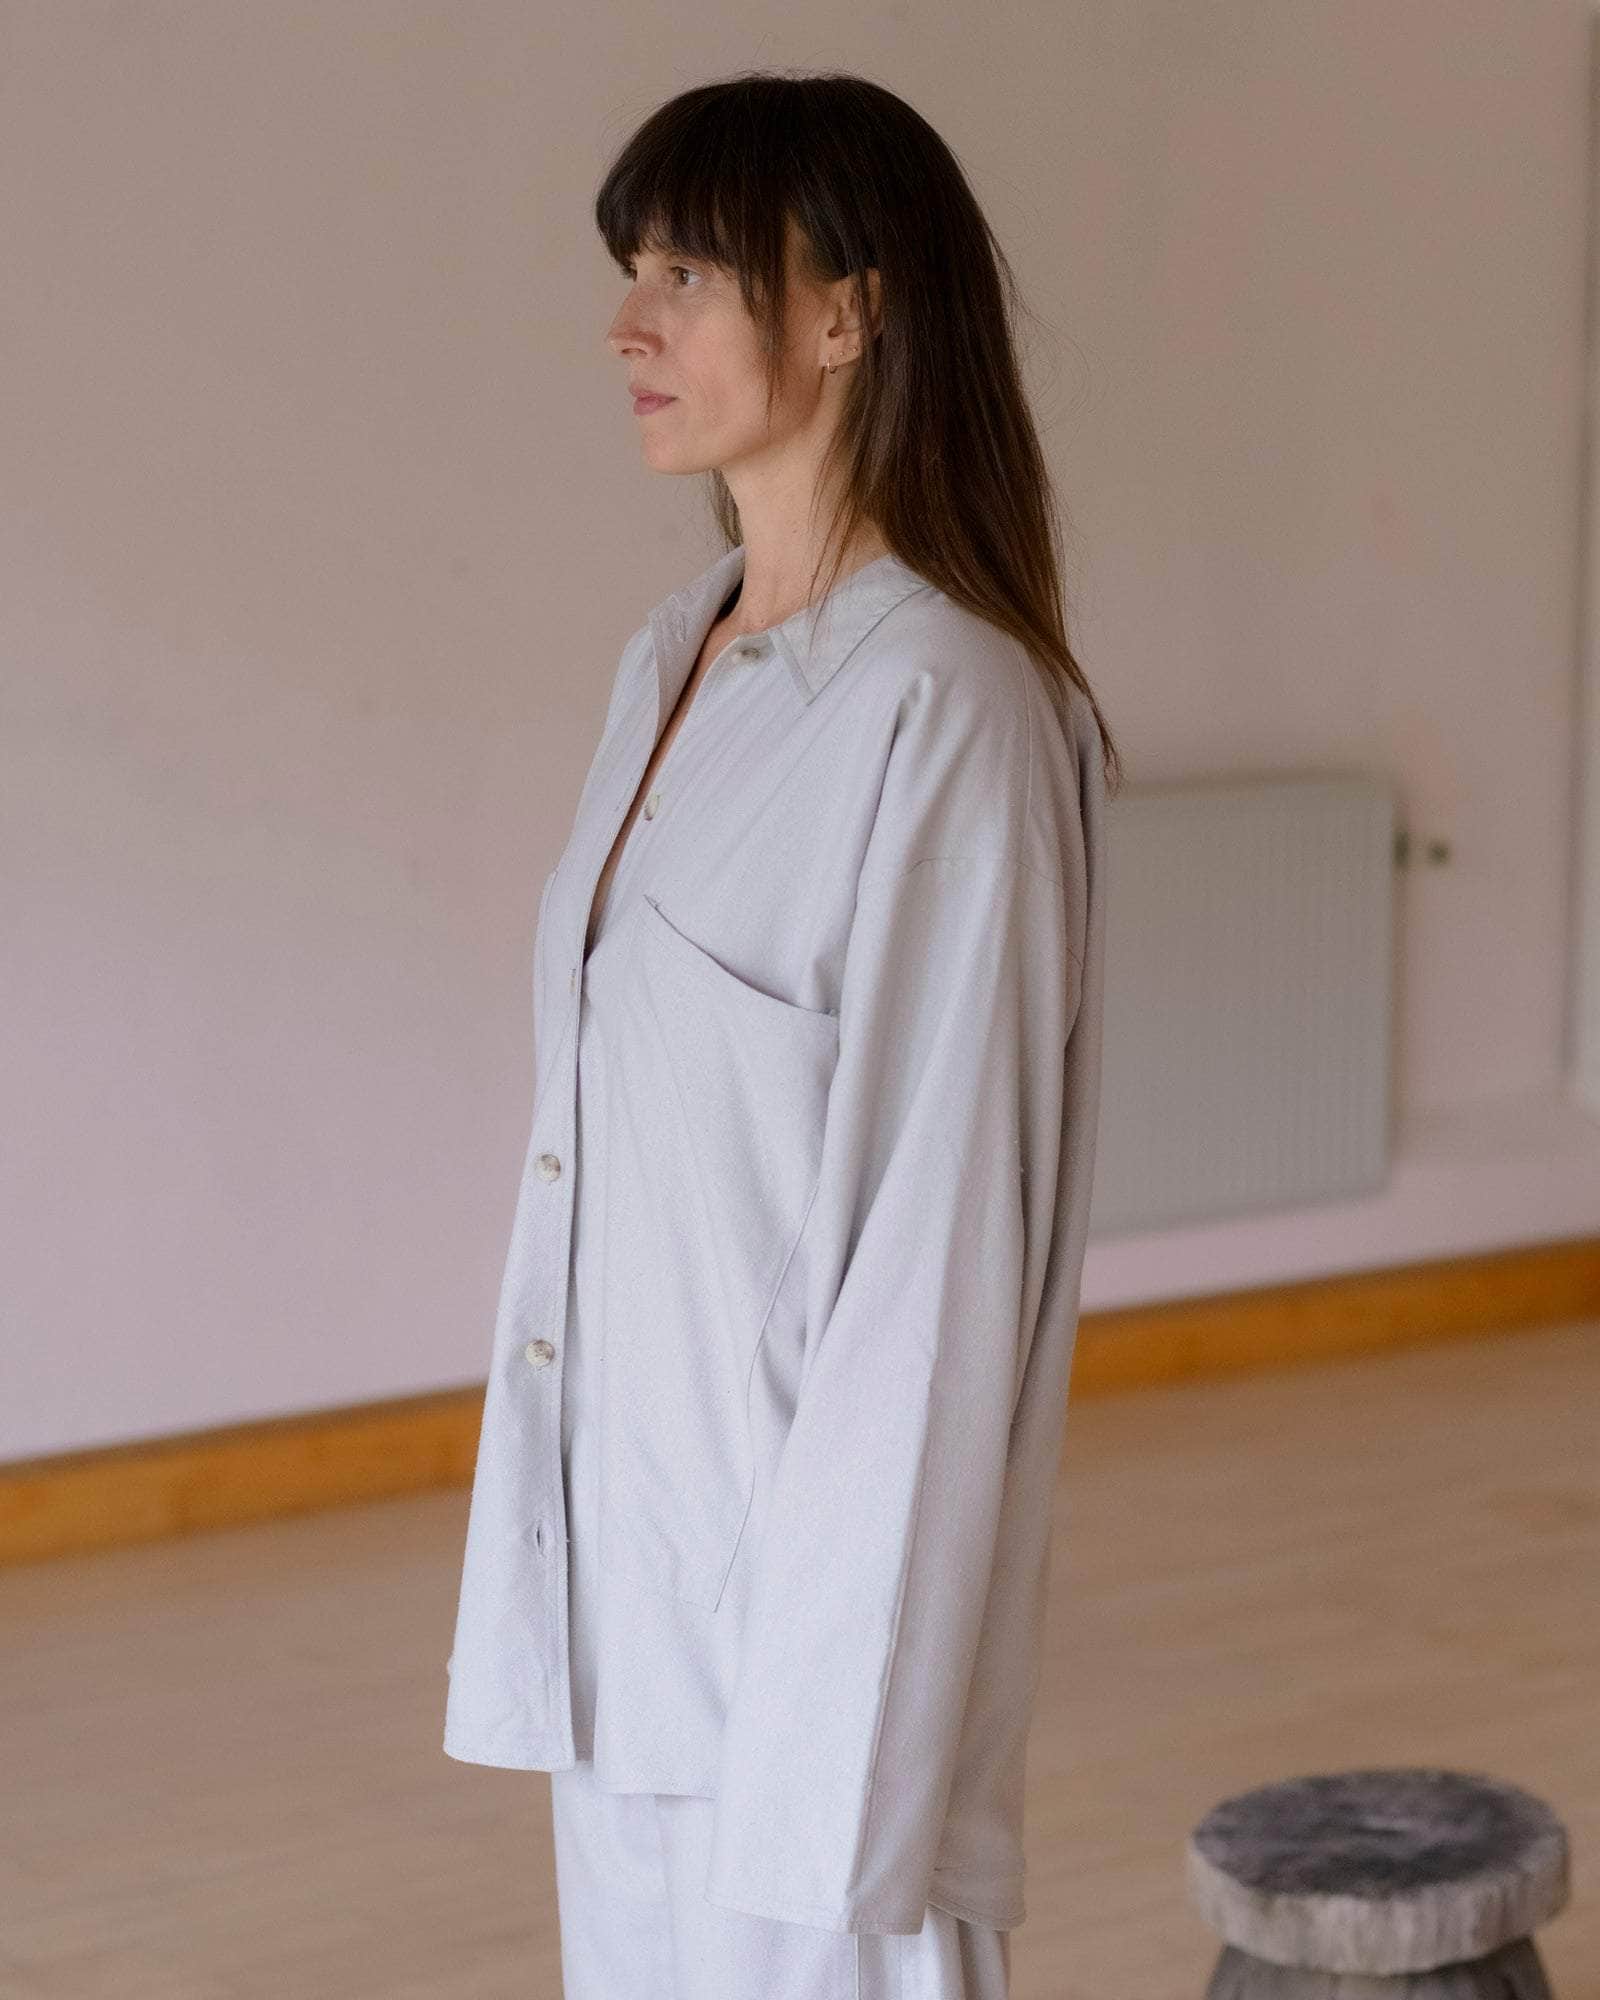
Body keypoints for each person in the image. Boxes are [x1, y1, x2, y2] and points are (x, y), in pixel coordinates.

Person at [443, 68, 1122, 2000]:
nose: (627, 324)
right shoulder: (672, 661)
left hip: (803, 1670)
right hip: (621, 1620)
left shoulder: (953, 711)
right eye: (631, 269)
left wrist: (839, 1749)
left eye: (687, 272)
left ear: (849, 312)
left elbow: (934, 1265)